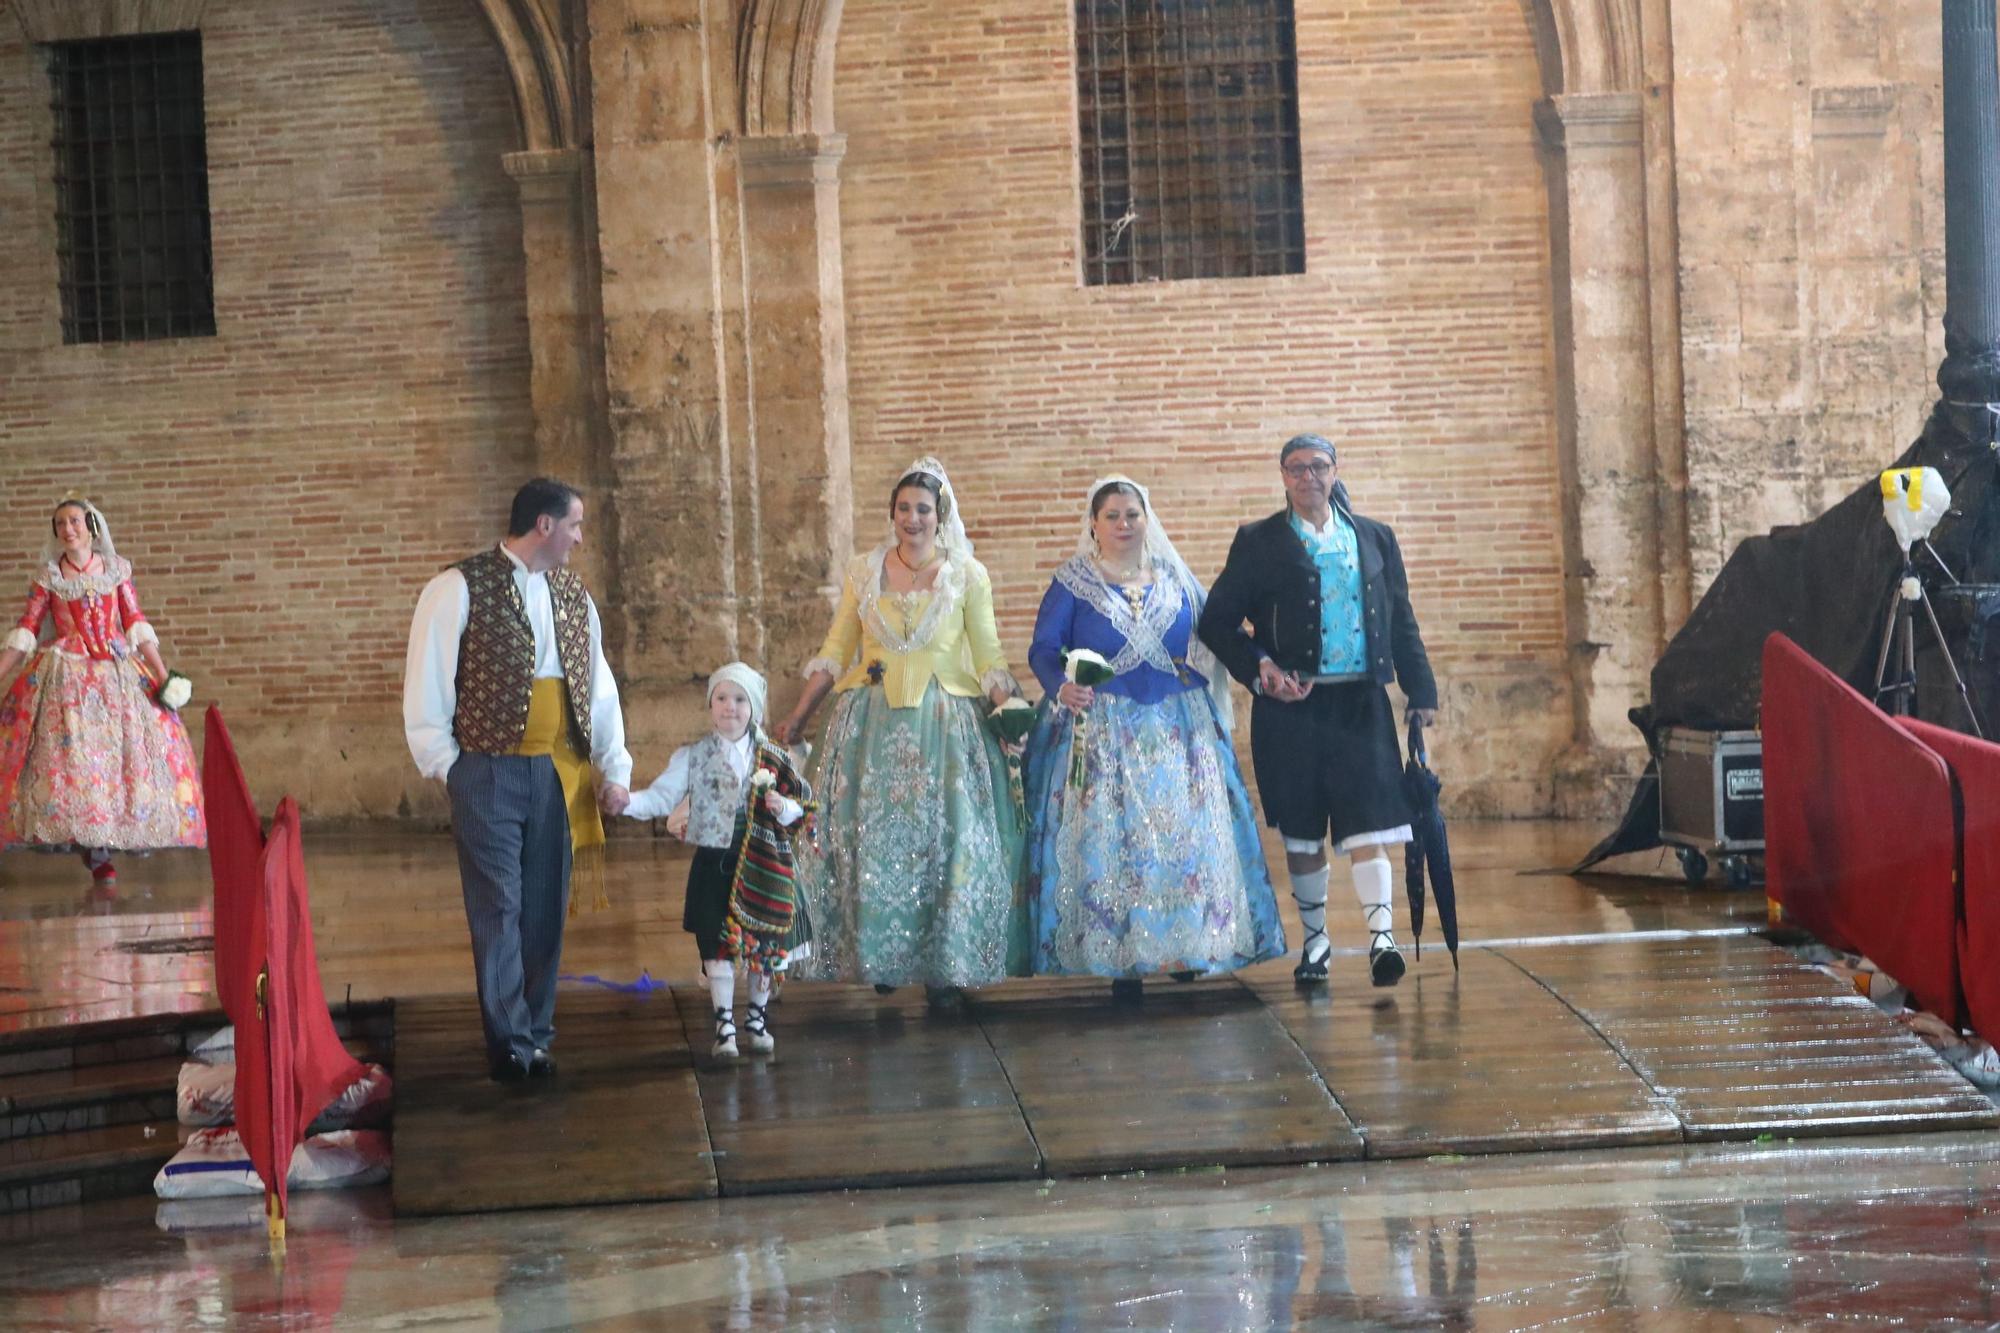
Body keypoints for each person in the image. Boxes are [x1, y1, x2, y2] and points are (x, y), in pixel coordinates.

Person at [403, 478, 632, 1084]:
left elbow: (597, 688)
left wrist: (615, 766)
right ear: (545, 526)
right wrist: (450, 767)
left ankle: (535, 1033)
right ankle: (508, 1040)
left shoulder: (575, 597)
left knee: (543, 910)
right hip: (487, 770)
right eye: (576, 525)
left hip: (558, 774)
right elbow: (427, 682)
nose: (581, 538)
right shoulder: (456, 588)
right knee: (498, 906)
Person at [771, 457, 1027, 998]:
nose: (913, 518)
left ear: (941, 515)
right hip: (869, 726)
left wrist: (1007, 712)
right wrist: (799, 716)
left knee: (946, 842)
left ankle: (947, 964)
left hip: (946, 725)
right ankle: (879, 957)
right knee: (870, 842)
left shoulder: (966, 576)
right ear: (892, 513)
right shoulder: (863, 572)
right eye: (904, 508)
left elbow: (988, 657)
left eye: (924, 509)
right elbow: (837, 649)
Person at [1022, 476, 1285, 997]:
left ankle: (1189, 945)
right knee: (1114, 843)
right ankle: (1124, 959)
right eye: (1112, 516)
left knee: (1182, 841)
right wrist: (1061, 686)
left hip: (1179, 729)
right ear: (1093, 525)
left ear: (1147, 520)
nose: (1123, 524)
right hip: (1102, 731)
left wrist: (1262, 664)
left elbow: (1220, 632)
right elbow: (1043, 649)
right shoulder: (1072, 582)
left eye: (1132, 515)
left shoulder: (1176, 579)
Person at [1197, 435, 1439, 988]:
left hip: (1361, 703)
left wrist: (1420, 692)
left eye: (1319, 466)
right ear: (1283, 476)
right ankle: (1316, 945)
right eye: (1297, 468)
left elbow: (1402, 617)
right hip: (1291, 712)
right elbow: (1216, 621)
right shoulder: (1258, 541)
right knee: (1303, 832)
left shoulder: (1375, 537)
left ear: (1335, 471)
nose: (1309, 477)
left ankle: (1382, 941)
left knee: (1372, 822)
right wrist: (1260, 667)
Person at [0, 497, 206, 883]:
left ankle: (116, 837)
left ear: (91, 527)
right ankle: (94, 851)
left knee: (123, 756)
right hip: (67, 676)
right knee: (75, 761)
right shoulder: (50, 577)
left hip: (117, 672)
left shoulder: (116, 570)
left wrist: (163, 676)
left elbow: (135, 622)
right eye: (60, 523)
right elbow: (27, 628)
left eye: (75, 521)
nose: (68, 529)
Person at [623, 662, 812, 1058]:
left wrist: (782, 807)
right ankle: (724, 1024)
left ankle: (756, 1019)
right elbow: (661, 795)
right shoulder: (695, 756)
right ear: (710, 707)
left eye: (740, 700)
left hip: (764, 866)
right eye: (721, 699)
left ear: (755, 709)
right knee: (718, 947)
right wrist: (627, 802)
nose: (730, 707)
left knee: (762, 948)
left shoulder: (775, 758)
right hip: (716, 864)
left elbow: (803, 808)